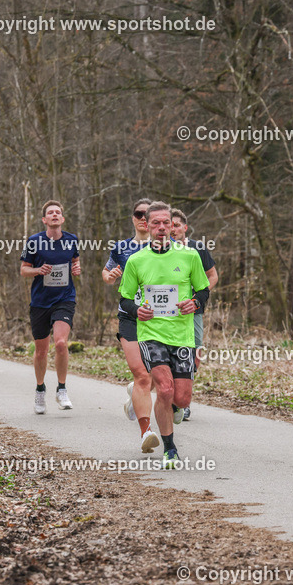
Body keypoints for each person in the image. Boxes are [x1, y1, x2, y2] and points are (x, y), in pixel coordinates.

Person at [118, 201, 210, 469]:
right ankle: (170, 448)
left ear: (172, 226)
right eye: (155, 223)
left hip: (182, 336)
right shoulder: (136, 261)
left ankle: (174, 410)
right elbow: (124, 299)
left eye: (165, 223)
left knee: (181, 398)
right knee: (165, 388)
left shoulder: (189, 256)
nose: (160, 228)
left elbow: (203, 291)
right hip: (151, 334)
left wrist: (195, 303)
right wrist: (137, 311)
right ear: (147, 225)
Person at [103, 198, 159, 452]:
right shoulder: (122, 247)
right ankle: (146, 431)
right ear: (133, 217)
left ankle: (133, 397)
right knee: (142, 376)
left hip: (161, 318)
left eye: (149, 214)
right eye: (139, 213)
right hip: (130, 316)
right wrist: (111, 276)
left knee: (155, 376)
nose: (144, 218)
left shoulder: (166, 248)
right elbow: (106, 273)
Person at [20, 200, 81, 414]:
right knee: (41, 351)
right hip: (40, 302)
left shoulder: (72, 240)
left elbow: (75, 261)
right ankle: (40, 389)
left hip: (64, 298)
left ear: (62, 219)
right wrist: (38, 270)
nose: (54, 215)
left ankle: (62, 389)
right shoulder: (34, 242)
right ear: (44, 219)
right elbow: (23, 270)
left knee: (62, 343)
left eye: (58, 212)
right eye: (50, 213)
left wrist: (76, 267)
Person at [170, 209, 219, 420]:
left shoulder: (197, 248)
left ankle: (184, 394)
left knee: (195, 349)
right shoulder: (160, 250)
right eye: (170, 225)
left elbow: (213, 276)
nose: (173, 229)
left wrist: (197, 297)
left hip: (194, 309)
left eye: (177, 225)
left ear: (185, 228)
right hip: (167, 310)